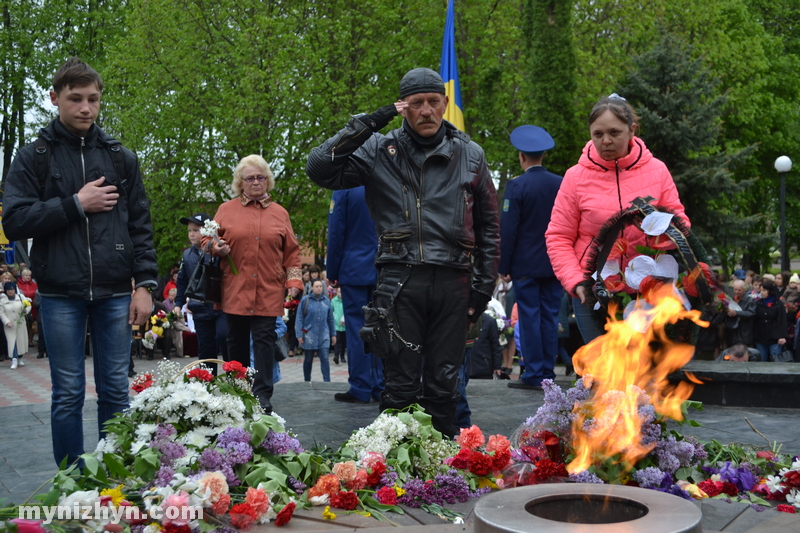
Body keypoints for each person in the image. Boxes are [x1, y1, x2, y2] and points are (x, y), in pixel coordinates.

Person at [307, 67, 500, 437]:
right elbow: (319, 167)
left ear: (444, 103)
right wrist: (373, 121)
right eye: (416, 104)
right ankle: (400, 467)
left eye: (433, 102)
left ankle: (442, 463)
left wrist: (482, 290)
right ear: (404, 108)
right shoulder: (380, 149)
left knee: (445, 384)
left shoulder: (470, 154)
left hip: (454, 282)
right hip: (398, 282)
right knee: (400, 384)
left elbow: (490, 227)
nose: (426, 111)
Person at [2, 57, 157, 466]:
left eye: (93, 99)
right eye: (75, 99)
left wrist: (145, 286)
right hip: (58, 294)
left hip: (113, 292)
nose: (85, 107)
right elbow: (15, 221)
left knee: (114, 392)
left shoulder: (121, 158)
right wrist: (75, 204)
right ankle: (73, 483)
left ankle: (116, 477)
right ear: (55, 98)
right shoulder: (34, 156)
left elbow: (141, 226)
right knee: (67, 392)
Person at [545, 94, 688, 344]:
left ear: (632, 130)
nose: (606, 141)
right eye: (598, 134)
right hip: (592, 291)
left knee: (644, 375)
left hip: (647, 291)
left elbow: (680, 224)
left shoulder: (657, 170)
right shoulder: (575, 177)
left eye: (614, 132)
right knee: (601, 373)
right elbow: (558, 237)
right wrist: (576, 281)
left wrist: (663, 240)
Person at [207, 155, 303, 413]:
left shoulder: (280, 212)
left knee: (264, 343)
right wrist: (216, 246)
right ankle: (237, 391)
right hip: (235, 289)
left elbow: (292, 252)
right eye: (250, 178)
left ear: (268, 180)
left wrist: (294, 280)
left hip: (269, 289)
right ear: (241, 182)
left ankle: (262, 395)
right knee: (235, 342)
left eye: (261, 177)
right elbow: (207, 241)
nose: (256, 182)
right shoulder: (226, 209)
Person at [500, 125, 564, 391]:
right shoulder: (560, 183)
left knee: (528, 317)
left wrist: (504, 266)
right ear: (543, 156)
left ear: (521, 157)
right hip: (555, 263)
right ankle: (547, 372)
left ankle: (534, 373)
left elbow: (508, 229)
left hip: (525, 265)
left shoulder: (516, 186)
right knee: (550, 317)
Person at [326, 186, 383, 404]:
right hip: (385, 267)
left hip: (354, 268)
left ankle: (360, 386)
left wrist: (332, 270)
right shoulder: (387, 177)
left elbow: (336, 230)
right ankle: (381, 385)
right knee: (383, 327)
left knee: (358, 329)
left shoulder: (345, 187)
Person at [175, 213, 228, 373]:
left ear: (207, 231)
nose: (191, 234)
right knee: (205, 350)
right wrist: (178, 304)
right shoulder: (187, 255)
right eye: (189, 230)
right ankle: (207, 387)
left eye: (196, 230)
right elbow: (182, 281)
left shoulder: (219, 250)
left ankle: (234, 383)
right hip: (199, 309)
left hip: (221, 307)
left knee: (224, 338)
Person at [295, 279, 337, 381]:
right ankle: (307, 381)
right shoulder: (306, 300)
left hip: (324, 335)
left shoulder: (326, 301)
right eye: (317, 286)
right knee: (308, 360)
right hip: (309, 335)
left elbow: (330, 319)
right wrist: (299, 335)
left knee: (325, 359)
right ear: (312, 287)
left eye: (320, 286)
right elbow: (299, 318)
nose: (319, 288)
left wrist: (333, 334)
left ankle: (327, 382)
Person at [753, 279, 787, 362]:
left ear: (770, 291)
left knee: (776, 359)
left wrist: (782, 336)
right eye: (761, 291)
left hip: (774, 337)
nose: (762, 293)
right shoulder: (758, 303)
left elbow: (782, 320)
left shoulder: (778, 304)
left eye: (764, 290)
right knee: (762, 359)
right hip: (761, 336)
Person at [0, 282, 31, 369]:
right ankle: (13, 359)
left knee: (21, 341)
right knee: (12, 342)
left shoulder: (21, 297)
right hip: (10, 326)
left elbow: (28, 305)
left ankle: (20, 358)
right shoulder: (3, 301)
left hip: (20, 323)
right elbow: (1, 313)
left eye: (12, 289)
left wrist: (26, 310)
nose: (10, 291)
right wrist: (7, 322)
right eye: (8, 290)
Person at [724, 279, 756, 347]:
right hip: (731, 332)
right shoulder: (730, 299)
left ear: (744, 289)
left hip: (744, 332)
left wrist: (736, 313)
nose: (737, 292)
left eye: (739, 290)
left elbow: (751, 313)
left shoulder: (750, 300)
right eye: (735, 289)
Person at [331, 287, 347, 365]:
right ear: (336, 293)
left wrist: (344, 319)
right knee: (336, 341)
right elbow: (331, 311)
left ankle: (342, 356)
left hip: (344, 325)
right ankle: (336, 356)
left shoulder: (346, 300)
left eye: (342, 292)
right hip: (336, 325)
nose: (340, 294)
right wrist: (335, 317)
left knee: (343, 342)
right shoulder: (333, 301)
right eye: (339, 292)